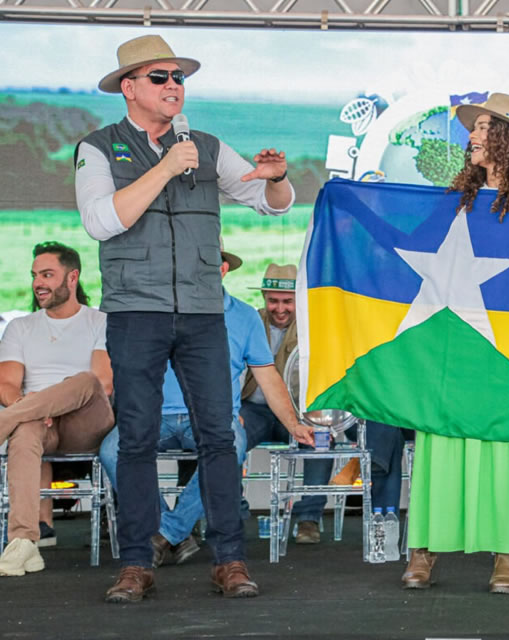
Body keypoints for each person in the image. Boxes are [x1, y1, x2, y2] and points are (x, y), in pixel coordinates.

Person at [74, 34, 294, 602]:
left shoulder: (208, 146)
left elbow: (273, 202)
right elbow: (101, 221)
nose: (174, 86)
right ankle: (136, 563)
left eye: (179, 78)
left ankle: (230, 560)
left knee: (220, 437)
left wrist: (275, 177)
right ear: (129, 88)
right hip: (134, 312)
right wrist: (167, 166)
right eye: (160, 77)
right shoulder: (98, 149)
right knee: (137, 440)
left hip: (201, 311)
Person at [400, 93, 509, 594]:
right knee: (442, 437)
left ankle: (507, 553)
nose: (471, 135)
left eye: (484, 127)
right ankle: (423, 548)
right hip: (454, 343)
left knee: (506, 442)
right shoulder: (455, 199)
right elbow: (408, 247)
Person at [99, 244, 313, 568]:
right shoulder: (155, 311)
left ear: (223, 269)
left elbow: (268, 377)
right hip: (157, 415)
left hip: (214, 416)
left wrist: (293, 423)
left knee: (232, 444)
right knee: (111, 450)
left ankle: (165, 533)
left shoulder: (244, 317)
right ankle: (174, 532)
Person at [0, 242, 114, 576]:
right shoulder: (19, 327)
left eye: (47, 274)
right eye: (35, 275)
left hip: (87, 423)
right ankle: (23, 542)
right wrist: (30, 407)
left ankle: (7, 420)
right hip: (38, 420)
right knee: (24, 433)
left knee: (85, 380)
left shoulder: (100, 321)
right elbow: (7, 384)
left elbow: (104, 384)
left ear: (72, 277)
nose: (38, 282)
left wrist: (40, 402)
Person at [239, 264, 334, 544]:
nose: (279, 308)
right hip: (253, 409)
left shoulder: (313, 327)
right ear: (265, 299)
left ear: (299, 300)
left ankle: (308, 519)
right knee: (228, 437)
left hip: (296, 412)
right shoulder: (249, 323)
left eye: (287, 301)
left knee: (318, 437)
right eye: (273, 301)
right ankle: (234, 514)